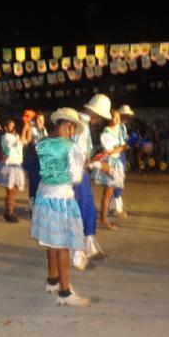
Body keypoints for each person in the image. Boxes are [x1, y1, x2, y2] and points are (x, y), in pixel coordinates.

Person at [31, 108, 90, 307]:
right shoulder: (71, 147)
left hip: (44, 195)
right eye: (73, 127)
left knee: (51, 241)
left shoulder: (41, 143)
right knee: (63, 244)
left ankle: (52, 280)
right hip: (62, 197)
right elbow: (76, 177)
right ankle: (65, 292)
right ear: (69, 125)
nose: (73, 132)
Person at [71, 95, 112, 268]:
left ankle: (88, 245)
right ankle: (76, 254)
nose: (101, 120)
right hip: (75, 174)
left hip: (81, 173)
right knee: (79, 211)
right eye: (101, 116)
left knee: (88, 209)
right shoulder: (80, 125)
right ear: (94, 112)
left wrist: (94, 160)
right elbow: (75, 156)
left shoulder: (84, 125)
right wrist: (98, 164)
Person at [94, 110, 126, 230]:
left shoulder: (121, 129)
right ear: (109, 118)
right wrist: (120, 148)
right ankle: (103, 219)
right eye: (113, 117)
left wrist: (120, 148)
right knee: (108, 192)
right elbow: (109, 150)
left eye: (117, 118)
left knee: (110, 192)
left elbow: (123, 146)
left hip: (117, 162)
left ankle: (104, 217)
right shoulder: (106, 132)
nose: (115, 120)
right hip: (110, 163)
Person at [0, 118, 27, 222]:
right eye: (11, 126)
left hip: (16, 165)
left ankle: (10, 212)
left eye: (13, 125)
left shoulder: (14, 136)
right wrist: (25, 129)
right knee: (10, 191)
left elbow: (24, 141)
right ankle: (9, 213)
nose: (13, 127)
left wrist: (27, 129)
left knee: (13, 191)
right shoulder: (6, 137)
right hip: (10, 166)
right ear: (6, 128)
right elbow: (17, 144)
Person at [109, 104, 134, 218]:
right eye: (125, 115)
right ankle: (116, 208)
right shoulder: (114, 128)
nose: (127, 117)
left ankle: (114, 206)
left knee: (119, 180)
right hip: (116, 155)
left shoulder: (122, 127)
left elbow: (125, 142)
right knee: (116, 180)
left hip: (121, 154)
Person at [23, 111, 48, 211]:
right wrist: (27, 127)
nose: (40, 122)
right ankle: (32, 202)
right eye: (38, 119)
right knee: (33, 181)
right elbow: (28, 140)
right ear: (35, 120)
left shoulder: (44, 130)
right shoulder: (32, 129)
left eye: (42, 120)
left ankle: (37, 202)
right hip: (32, 157)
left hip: (41, 159)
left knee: (40, 182)